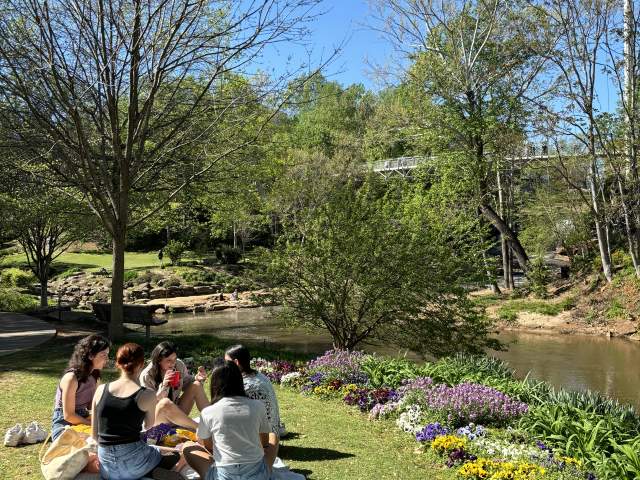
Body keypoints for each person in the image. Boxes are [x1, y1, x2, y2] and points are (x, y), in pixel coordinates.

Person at [91, 342, 184, 480]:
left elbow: (94, 435)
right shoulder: (147, 394)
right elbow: (148, 426)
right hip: (135, 461)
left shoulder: (100, 390)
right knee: (178, 453)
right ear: (141, 364)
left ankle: (146, 472)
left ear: (118, 363)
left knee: (147, 453)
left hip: (107, 467)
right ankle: (151, 472)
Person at [183, 361, 278, 480]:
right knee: (273, 436)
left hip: (223, 476)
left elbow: (208, 446)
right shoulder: (258, 406)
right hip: (257, 475)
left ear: (214, 384)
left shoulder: (208, 412)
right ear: (239, 380)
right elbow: (264, 442)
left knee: (187, 446)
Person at [51, 334, 110, 440]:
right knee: (92, 443)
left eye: (107, 354)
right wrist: (91, 424)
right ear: (90, 355)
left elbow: (92, 406)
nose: (107, 359)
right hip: (64, 424)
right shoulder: (71, 378)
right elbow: (68, 415)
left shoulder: (94, 376)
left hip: (83, 417)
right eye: (103, 355)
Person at [140, 341, 208, 428]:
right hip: (156, 420)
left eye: (174, 359)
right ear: (159, 360)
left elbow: (187, 383)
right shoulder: (147, 375)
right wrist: (164, 386)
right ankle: (199, 428)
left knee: (196, 385)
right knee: (164, 403)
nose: (173, 363)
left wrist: (197, 378)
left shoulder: (178, 364)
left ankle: (214, 421)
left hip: (176, 415)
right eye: (168, 360)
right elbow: (148, 406)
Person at [225, 344, 285, 438]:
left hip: (262, 439)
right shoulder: (259, 376)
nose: (224, 365)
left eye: (226, 362)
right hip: (273, 433)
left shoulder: (246, 386)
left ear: (236, 362)